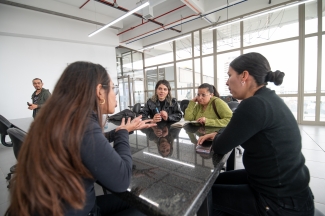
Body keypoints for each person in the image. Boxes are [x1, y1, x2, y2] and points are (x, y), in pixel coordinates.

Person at [6, 61, 156, 216]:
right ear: (99, 91)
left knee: (139, 202)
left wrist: (117, 132)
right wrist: (123, 133)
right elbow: (122, 179)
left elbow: (86, 143)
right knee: (146, 209)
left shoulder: (64, 118)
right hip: (76, 211)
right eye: (113, 88)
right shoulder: (83, 124)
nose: (114, 94)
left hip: (65, 208)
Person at [198, 52, 314, 216]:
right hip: (288, 190)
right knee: (207, 185)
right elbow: (234, 129)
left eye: (230, 75)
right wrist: (219, 133)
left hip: (280, 203)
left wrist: (217, 136)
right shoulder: (267, 99)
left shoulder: (253, 104)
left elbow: (221, 146)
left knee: (201, 197)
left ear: (244, 75)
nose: (226, 81)